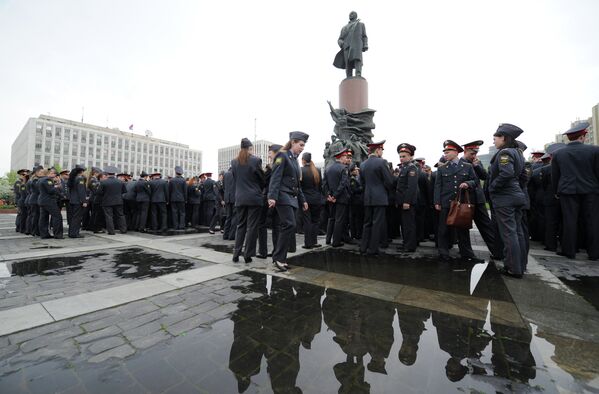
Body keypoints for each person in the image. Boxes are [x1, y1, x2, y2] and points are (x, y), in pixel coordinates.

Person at [551, 121, 599, 260]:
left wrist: (556, 191)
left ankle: (569, 251)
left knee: (569, 221)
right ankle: (594, 253)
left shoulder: (558, 154)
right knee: (592, 221)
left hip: (567, 191)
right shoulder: (595, 150)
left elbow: (556, 176)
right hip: (591, 191)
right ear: (583, 137)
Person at [488, 124, 528, 278]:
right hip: (516, 196)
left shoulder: (504, 153)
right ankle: (520, 266)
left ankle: (513, 268)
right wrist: (517, 189)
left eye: (495, 138)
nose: (494, 142)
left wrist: (492, 187)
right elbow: (523, 177)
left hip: (505, 198)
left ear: (503, 138)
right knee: (518, 233)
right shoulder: (518, 153)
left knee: (509, 234)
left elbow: (506, 173)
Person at [433, 140, 481, 263]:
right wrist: (437, 202)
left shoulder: (467, 166)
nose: (445, 154)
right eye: (444, 152)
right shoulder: (442, 168)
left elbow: (476, 182)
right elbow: (438, 186)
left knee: (462, 229)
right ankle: (443, 253)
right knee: (443, 229)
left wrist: (467, 183)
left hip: (461, 203)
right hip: (445, 202)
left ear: (455, 152)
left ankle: (467, 253)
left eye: (448, 152)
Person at [269, 131, 309, 271]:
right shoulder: (282, 155)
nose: (302, 147)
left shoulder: (294, 159)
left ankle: (281, 258)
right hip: (282, 195)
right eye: (301, 144)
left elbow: (297, 184)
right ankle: (278, 258)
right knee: (289, 224)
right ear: (293, 142)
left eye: (304, 145)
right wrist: (272, 196)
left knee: (290, 226)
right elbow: (275, 177)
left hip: (292, 197)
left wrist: (303, 200)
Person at [460, 141, 504, 260]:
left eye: (475, 153)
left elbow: (485, 176)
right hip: (466, 200)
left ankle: (497, 252)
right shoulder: (459, 163)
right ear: (465, 152)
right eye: (471, 153)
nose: (474, 156)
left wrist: (477, 166)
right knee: (463, 227)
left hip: (478, 200)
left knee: (486, 226)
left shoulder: (475, 163)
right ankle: (466, 253)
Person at [231, 138, 265, 263]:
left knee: (241, 225)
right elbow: (262, 179)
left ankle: (236, 253)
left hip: (240, 198)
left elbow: (236, 179)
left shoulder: (234, 162)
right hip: (254, 198)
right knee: (252, 227)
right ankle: (247, 254)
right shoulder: (256, 160)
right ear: (250, 148)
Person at [359, 140, 395, 255]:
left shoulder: (363, 164)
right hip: (379, 197)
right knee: (377, 223)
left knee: (367, 223)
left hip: (367, 197)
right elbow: (389, 181)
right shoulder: (381, 162)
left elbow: (362, 183)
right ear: (378, 150)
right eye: (381, 150)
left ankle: (363, 247)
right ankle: (373, 249)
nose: (382, 153)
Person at [324, 147, 352, 247]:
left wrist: (329, 195)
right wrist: (335, 196)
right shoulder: (344, 168)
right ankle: (336, 241)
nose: (347, 158)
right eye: (345, 156)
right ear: (341, 157)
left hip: (331, 198)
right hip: (340, 198)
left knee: (331, 218)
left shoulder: (328, 168)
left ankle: (328, 239)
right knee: (339, 220)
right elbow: (343, 184)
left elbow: (325, 184)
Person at [396, 143, 419, 252]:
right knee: (404, 224)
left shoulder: (412, 168)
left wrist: (407, 201)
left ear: (411, 157)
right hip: (402, 201)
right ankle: (406, 243)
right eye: (400, 156)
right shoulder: (404, 167)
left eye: (404, 156)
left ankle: (410, 246)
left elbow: (411, 187)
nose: (401, 158)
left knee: (408, 224)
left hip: (407, 202)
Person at [334, 11, 368, 78]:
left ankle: (358, 75)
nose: (350, 15)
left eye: (352, 14)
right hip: (347, 46)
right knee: (347, 63)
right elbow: (340, 39)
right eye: (349, 14)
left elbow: (364, 36)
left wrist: (365, 44)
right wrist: (341, 43)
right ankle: (348, 77)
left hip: (357, 45)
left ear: (356, 15)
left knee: (357, 60)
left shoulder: (361, 24)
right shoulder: (344, 28)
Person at [300, 152, 324, 249]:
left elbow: (300, 187)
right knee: (315, 221)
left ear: (303, 160)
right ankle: (314, 242)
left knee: (307, 221)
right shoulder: (317, 170)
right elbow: (321, 186)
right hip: (317, 199)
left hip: (305, 199)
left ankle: (308, 243)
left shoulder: (301, 170)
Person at [96, 166, 127, 235]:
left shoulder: (104, 182)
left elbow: (99, 192)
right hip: (119, 201)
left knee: (109, 216)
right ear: (114, 173)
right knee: (120, 215)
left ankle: (111, 231)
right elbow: (124, 191)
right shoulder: (120, 182)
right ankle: (123, 229)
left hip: (107, 201)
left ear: (107, 174)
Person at [38, 167, 64, 239]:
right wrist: (57, 186)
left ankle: (44, 234)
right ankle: (58, 235)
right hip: (49, 201)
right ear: (49, 173)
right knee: (57, 217)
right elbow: (51, 190)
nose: (55, 175)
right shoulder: (47, 180)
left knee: (44, 218)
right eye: (53, 173)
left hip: (43, 201)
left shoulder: (40, 180)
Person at [67, 164, 87, 238]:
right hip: (78, 201)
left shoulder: (73, 178)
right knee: (77, 218)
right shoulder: (80, 179)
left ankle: (71, 233)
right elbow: (81, 191)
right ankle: (75, 233)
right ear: (81, 171)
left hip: (72, 200)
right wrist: (84, 201)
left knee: (73, 217)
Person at [169, 166, 187, 230]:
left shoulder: (172, 180)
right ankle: (181, 226)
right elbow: (185, 191)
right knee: (182, 213)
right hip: (181, 199)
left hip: (173, 199)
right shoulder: (183, 180)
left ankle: (175, 226)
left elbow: (169, 191)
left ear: (176, 172)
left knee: (174, 213)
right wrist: (185, 199)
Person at [222, 167, 237, 241]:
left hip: (227, 198)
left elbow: (224, 187)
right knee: (234, 217)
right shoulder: (236, 173)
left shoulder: (225, 174)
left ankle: (225, 235)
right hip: (234, 198)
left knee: (228, 217)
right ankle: (232, 236)